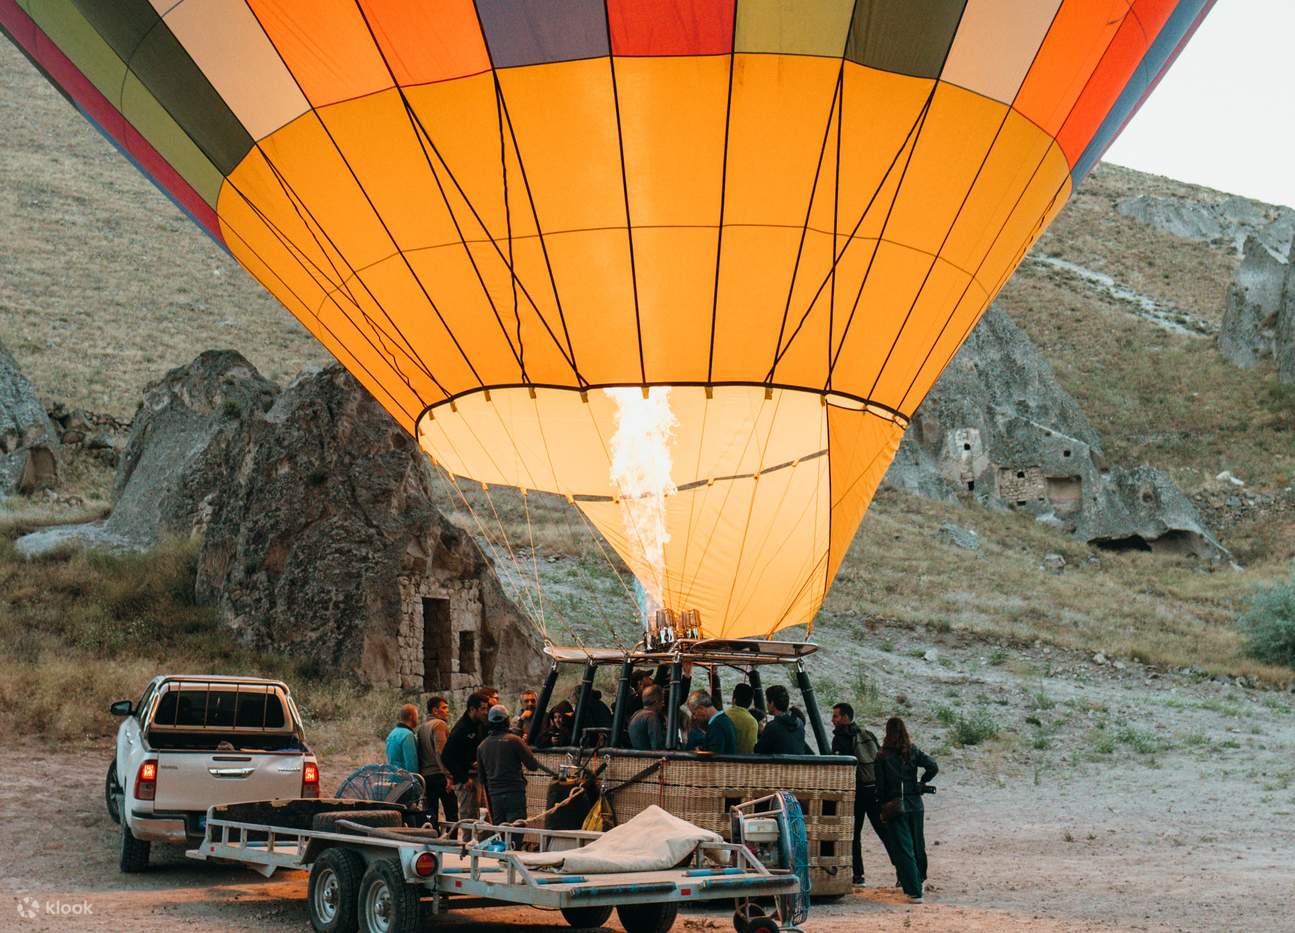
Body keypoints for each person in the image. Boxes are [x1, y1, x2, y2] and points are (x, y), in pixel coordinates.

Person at [875, 716, 938, 904]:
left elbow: (880, 787)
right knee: (918, 844)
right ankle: (919, 879)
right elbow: (932, 766)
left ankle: (913, 889)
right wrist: (922, 783)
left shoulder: (882, 755)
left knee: (904, 848)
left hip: (895, 806)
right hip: (915, 804)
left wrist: (881, 807)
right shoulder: (912, 750)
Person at [831, 702, 887, 887]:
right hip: (872, 789)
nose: (833, 720)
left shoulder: (841, 738)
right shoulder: (865, 734)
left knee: (854, 835)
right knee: (883, 831)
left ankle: (858, 875)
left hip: (856, 793)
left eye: (836, 716)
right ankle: (902, 872)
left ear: (846, 717)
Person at [476, 704, 543, 824]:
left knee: (501, 831)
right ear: (506, 720)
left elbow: (482, 778)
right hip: (514, 793)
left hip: (495, 796)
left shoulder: (482, 746)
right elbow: (533, 765)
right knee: (516, 829)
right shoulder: (514, 741)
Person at [442, 691, 491, 823]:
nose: (486, 712)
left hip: (476, 776)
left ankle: (486, 843)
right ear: (472, 709)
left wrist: (473, 762)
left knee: (484, 818)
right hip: (466, 781)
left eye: (487, 708)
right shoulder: (461, 729)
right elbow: (446, 756)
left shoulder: (479, 725)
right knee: (470, 819)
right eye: (483, 709)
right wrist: (464, 778)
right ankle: (467, 844)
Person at [417, 696, 457, 829]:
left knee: (430, 814)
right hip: (440, 775)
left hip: (426, 777)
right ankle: (452, 843)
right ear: (435, 710)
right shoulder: (439, 724)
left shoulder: (422, 728)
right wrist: (448, 776)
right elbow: (441, 752)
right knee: (451, 813)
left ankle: (433, 840)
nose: (447, 711)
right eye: (444, 708)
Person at [753, 685, 810, 755]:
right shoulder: (800, 723)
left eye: (767, 701)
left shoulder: (772, 727)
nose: (767, 705)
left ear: (772, 704)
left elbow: (759, 751)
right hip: (797, 765)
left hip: (778, 765)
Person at [687, 690, 737, 754]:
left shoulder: (716, 726)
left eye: (694, 713)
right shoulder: (725, 720)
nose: (694, 717)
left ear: (701, 708)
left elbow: (713, 758)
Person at [628, 684, 666, 750]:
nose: (663, 704)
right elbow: (657, 746)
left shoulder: (636, 714)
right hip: (649, 758)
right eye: (662, 700)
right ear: (656, 701)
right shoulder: (651, 717)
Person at [385, 703, 420, 773]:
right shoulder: (407, 735)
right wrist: (416, 781)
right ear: (411, 717)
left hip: (393, 777)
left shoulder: (392, 733)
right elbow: (411, 763)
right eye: (416, 716)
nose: (418, 719)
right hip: (405, 780)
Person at [726, 683, 759, 754]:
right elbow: (750, 749)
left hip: (723, 761)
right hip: (743, 762)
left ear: (733, 699)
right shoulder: (752, 722)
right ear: (750, 702)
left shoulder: (723, 716)